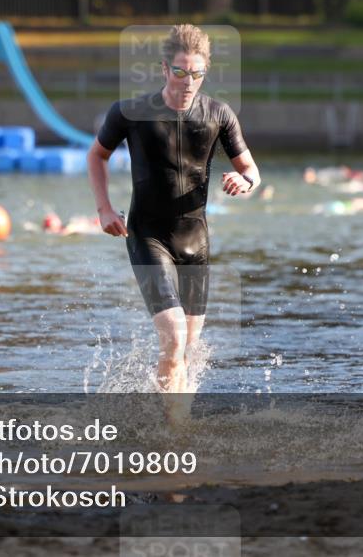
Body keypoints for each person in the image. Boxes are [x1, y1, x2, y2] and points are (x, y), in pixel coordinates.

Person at [87, 24, 260, 395]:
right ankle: (170, 431)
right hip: (148, 236)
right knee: (174, 338)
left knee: (187, 348)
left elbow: (251, 170)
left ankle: (172, 419)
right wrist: (104, 209)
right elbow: (96, 155)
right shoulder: (131, 112)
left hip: (195, 241)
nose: (188, 81)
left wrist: (245, 182)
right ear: (164, 69)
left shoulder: (219, 114)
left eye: (196, 73)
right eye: (180, 72)